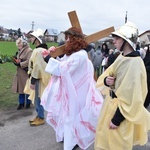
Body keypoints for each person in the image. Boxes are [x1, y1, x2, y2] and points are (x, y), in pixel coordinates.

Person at [41, 27, 104, 150]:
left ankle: (71, 143)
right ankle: (68, 139)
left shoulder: (80, 55)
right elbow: (62, 62)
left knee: (72, 118)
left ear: (75, 40)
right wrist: (53, 56)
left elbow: (62, 69)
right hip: (72, 92)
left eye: (69, 38)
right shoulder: (74, 55)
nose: (66, 41)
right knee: (67, 117)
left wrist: (48, 58)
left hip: (77, 93)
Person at [95, 22, 150, 150]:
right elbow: (108, 75)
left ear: (126, 41)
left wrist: (117, 119)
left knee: (117, 144)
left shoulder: (135, 63)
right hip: (111, 106)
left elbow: (132, 96)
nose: (114, 41)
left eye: (117, 38)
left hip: (121, 113)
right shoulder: (122, 57)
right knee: (105, 142)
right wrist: (106, 81)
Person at [24, 28, 51, 126]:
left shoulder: (39, 51)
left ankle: (41, 117)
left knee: (39, 98)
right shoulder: (39, 50)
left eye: (32, 37)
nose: (31, 39)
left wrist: (33, 81)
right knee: (37, 98)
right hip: (38, 78)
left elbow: (38, 67)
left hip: (39, 78)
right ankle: (38, 115)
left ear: (37, 39)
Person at [12, 37, 32, 110]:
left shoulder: (29, 50)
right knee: (20, 89)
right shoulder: (19, 51)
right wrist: (15, 60)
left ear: (23, 44)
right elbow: (19, 60)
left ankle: (28, 103)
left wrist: (20, 64)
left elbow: (29, 61)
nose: (18, 46)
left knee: (26, 89)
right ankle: (21, 103)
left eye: (19, 44)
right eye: (17, 44)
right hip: (19, 73)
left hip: (25, 73)